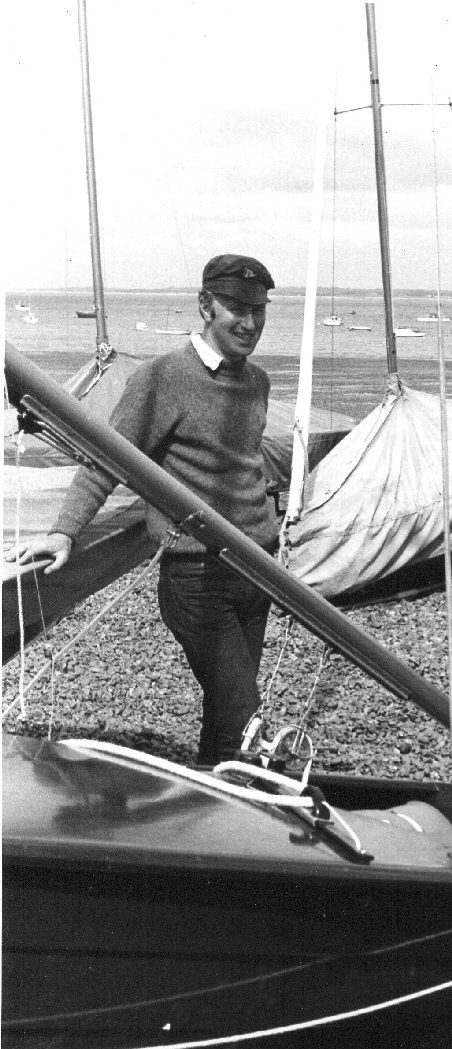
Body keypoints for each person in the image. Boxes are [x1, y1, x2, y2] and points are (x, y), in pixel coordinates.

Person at [6, 254, 280, 764]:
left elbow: (244, 466)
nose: (249, 323)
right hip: (198, 576)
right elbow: (106, 460)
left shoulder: (257, 382)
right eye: (236, 309)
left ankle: (216, 814)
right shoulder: (161, 378)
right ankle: (236, 802)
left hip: (259, 566)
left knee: (227, 711)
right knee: (245, 714)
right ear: (205, 305)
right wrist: (65, 532)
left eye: (259, 310)